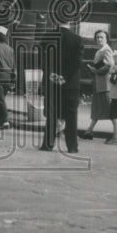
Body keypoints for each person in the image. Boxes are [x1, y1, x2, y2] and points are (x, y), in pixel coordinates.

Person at [41, 24, 83, 153]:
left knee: (52, 113)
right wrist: (64, 77)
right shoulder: (77, 39)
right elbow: (77, 62)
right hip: (70, 83)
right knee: (71, 115)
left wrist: (51, 74)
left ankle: (48, 144)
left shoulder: (47, 37)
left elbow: (43, 59)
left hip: (52, 81)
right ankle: (72, 146)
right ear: (70, 22)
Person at [80, 29, 114, 140]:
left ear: (106, 39)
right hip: (99, 83)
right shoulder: (101, 50)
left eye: (101, 37)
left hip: (105, 84)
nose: (99, 39)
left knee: (108, 108)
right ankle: (89, 131)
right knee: (97, 108)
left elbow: (109, 65)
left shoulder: (106, 50)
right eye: (98, 37)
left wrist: (96, 70)